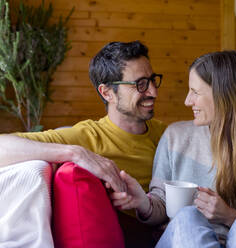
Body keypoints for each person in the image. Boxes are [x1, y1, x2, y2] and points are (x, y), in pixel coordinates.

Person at [113, 51, 236, 248]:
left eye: (195, 92)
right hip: (182, 240)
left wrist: (230, 217)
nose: (187, 101)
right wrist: (142, 202)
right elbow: (162, 208)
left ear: (224, 96)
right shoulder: (175, 137)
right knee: (187, 216)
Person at [0, 41, 167, 247]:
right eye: (140, 84)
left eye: (152, 80)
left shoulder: (167, 135)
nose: (153, 92)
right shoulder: (87, 136)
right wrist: (75, 153)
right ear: (107, 93)